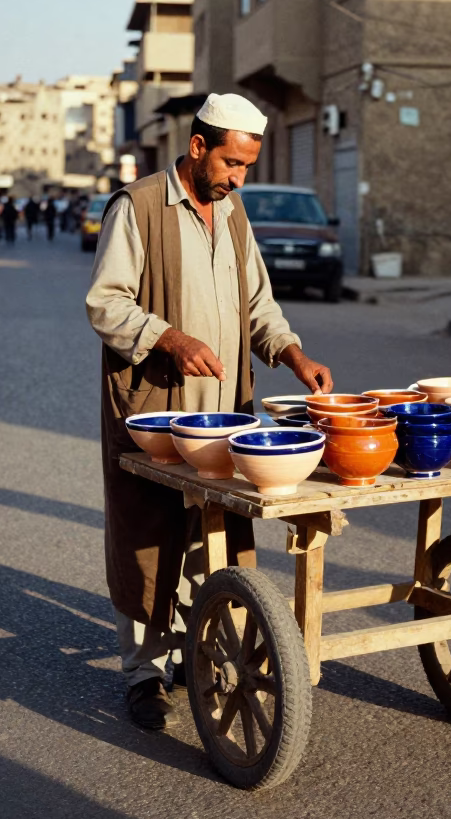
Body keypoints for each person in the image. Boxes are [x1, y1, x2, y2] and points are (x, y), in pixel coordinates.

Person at [86, 93, 333, 731]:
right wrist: (170, 338)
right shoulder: (136, 207)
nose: (238, 178)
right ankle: (143, 675)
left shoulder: (233, 213)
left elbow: (259, 304)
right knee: (148, 540)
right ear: (197, 148)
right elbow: (106, 304)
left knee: (214, 538)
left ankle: (199, 653)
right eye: (231, 163)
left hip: (225, 415)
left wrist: (294, 355)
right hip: (156, 414)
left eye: (246, 167)